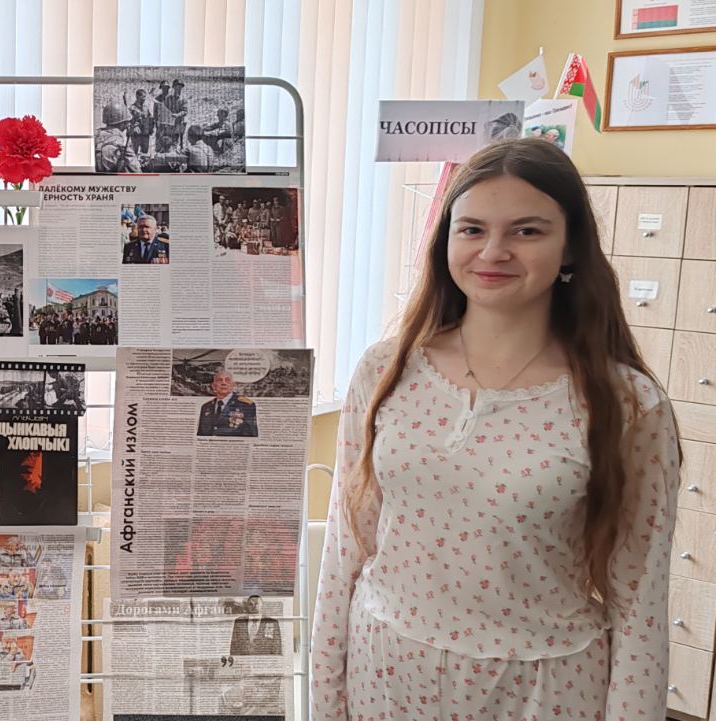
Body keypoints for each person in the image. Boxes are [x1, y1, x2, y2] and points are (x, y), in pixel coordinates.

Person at [311, 139, 681, 720]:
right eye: (472, 229)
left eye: (527, 231)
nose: (493, 251)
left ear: (570, 246)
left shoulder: (627, 403)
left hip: (543, 689)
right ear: (446, 241)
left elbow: (641, 601)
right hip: (384, 673)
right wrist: (325, 700)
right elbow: (345, 547)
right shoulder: (386, 369)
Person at [196, 369, 258, 437]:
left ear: (233, 385)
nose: (223, 383)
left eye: (227, 380)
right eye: (219, 380)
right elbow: (200, 435)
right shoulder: (205, 407)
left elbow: (251, 435)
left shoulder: (246, 405)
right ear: (214, 386)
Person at [95, 104, 141, 173]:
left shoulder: (96, 135)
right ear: (121, 123)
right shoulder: (122, 144)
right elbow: (136, 171)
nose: (128, 124)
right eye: (126, 122)